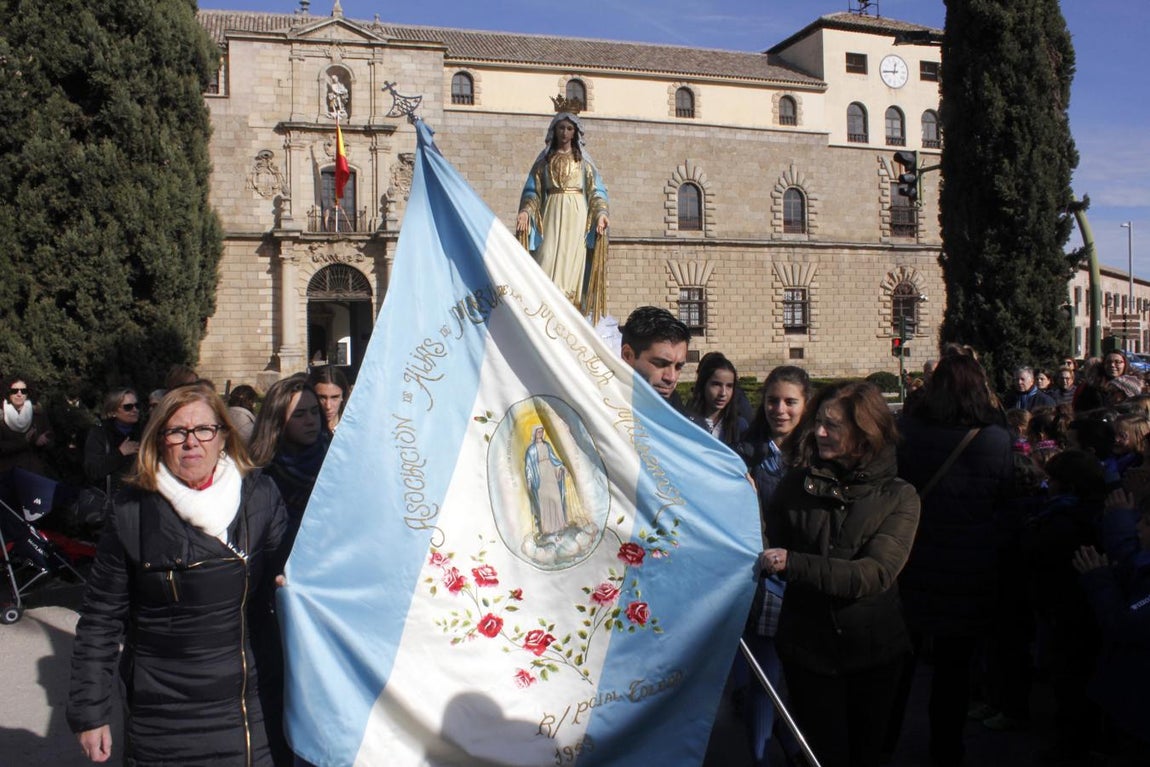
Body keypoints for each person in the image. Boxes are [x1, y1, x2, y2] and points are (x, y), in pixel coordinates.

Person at [67, 382, 287, 766]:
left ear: (223, 437)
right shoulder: (130, 511)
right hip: (163, 715)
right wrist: (91, 711)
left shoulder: (261, 497)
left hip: (250, 709)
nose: (192, 442)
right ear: (159, 439)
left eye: (204, 429)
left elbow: (291, 583)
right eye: (177, 432)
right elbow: (101, 618)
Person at [760, 381, 920, 767]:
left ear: (864, 434)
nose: (818, 432)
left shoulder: (900, 497)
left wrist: (794, 563)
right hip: (808, 653)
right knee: (820, 753)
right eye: (818, 423)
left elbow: (873, 574)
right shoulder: (796, 485)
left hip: (874, 655)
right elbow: (765, 544)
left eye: (832, 425)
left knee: (866, 752)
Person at [893, 353, 1016, 764]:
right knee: (953, 675)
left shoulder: (908, 432)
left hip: (912, 562)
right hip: (969, 571)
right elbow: (1005, 508)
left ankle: (883, 744)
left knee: (898, 668)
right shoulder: (995, 439)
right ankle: (947, 752)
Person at [737, 365, 812, 767]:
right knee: (762, 679)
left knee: (802, 676)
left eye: (789, 402)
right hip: (765, 577)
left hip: (806, 576)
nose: (779, 410)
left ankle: (797, 743)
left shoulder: (819, 451)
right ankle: (760, 755)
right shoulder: (747, 450)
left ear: (806, 404)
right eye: (772, 401)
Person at [516, 111, 609, 308]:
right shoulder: (544, 163)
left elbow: (596, 192)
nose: (565, 133)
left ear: (575, 132)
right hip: (551, 212)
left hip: (577, 217)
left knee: (572, 263)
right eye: (561, 128)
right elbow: (533, 192)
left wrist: (601, 214)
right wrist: (526, 211)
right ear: (554, 131)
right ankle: (544, 304)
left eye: (569, 128)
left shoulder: (584, 163)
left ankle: (570, 307)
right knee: (546, 256)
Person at [248, 374, 331, 552]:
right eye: (299, 414)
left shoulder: (337, 463)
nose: (310, 421)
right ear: (278, 421)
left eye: (315, 411)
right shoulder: (261, 477)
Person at [619, 306, 690, 412]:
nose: (671, 377)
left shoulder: (690, 425)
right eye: (661, 364)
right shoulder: (595, 409)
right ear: (628, 355)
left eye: (678, 366)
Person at [82, 387, 142, 498]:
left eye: (137, 405)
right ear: (113, 412)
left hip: (140, 498)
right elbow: (93, 470)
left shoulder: (144, 431)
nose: (135, 410)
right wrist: (120, 453)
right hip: (111, 500)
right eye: (128, 407)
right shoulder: (100, 433)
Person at [686, 353, 746, 448]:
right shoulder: (687, 422)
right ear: (703, 385)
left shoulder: (740, 426)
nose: (723, 393)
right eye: (716, 384)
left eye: (729, 386)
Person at [0, 374, 54, 475]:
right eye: (14, 391)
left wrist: (42, 442)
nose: (19, 394)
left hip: (33, 473)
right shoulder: (1, 416)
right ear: (8, 392)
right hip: (7, 474)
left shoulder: (38, 414)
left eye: (23, 391)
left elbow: (51, 441)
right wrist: (25, 441)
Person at [308, 365, 350, 433]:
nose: (328, 406)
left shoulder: (354, 428)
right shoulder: (303, 431)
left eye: (334, 397)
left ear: (343, 396)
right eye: (322, 397)